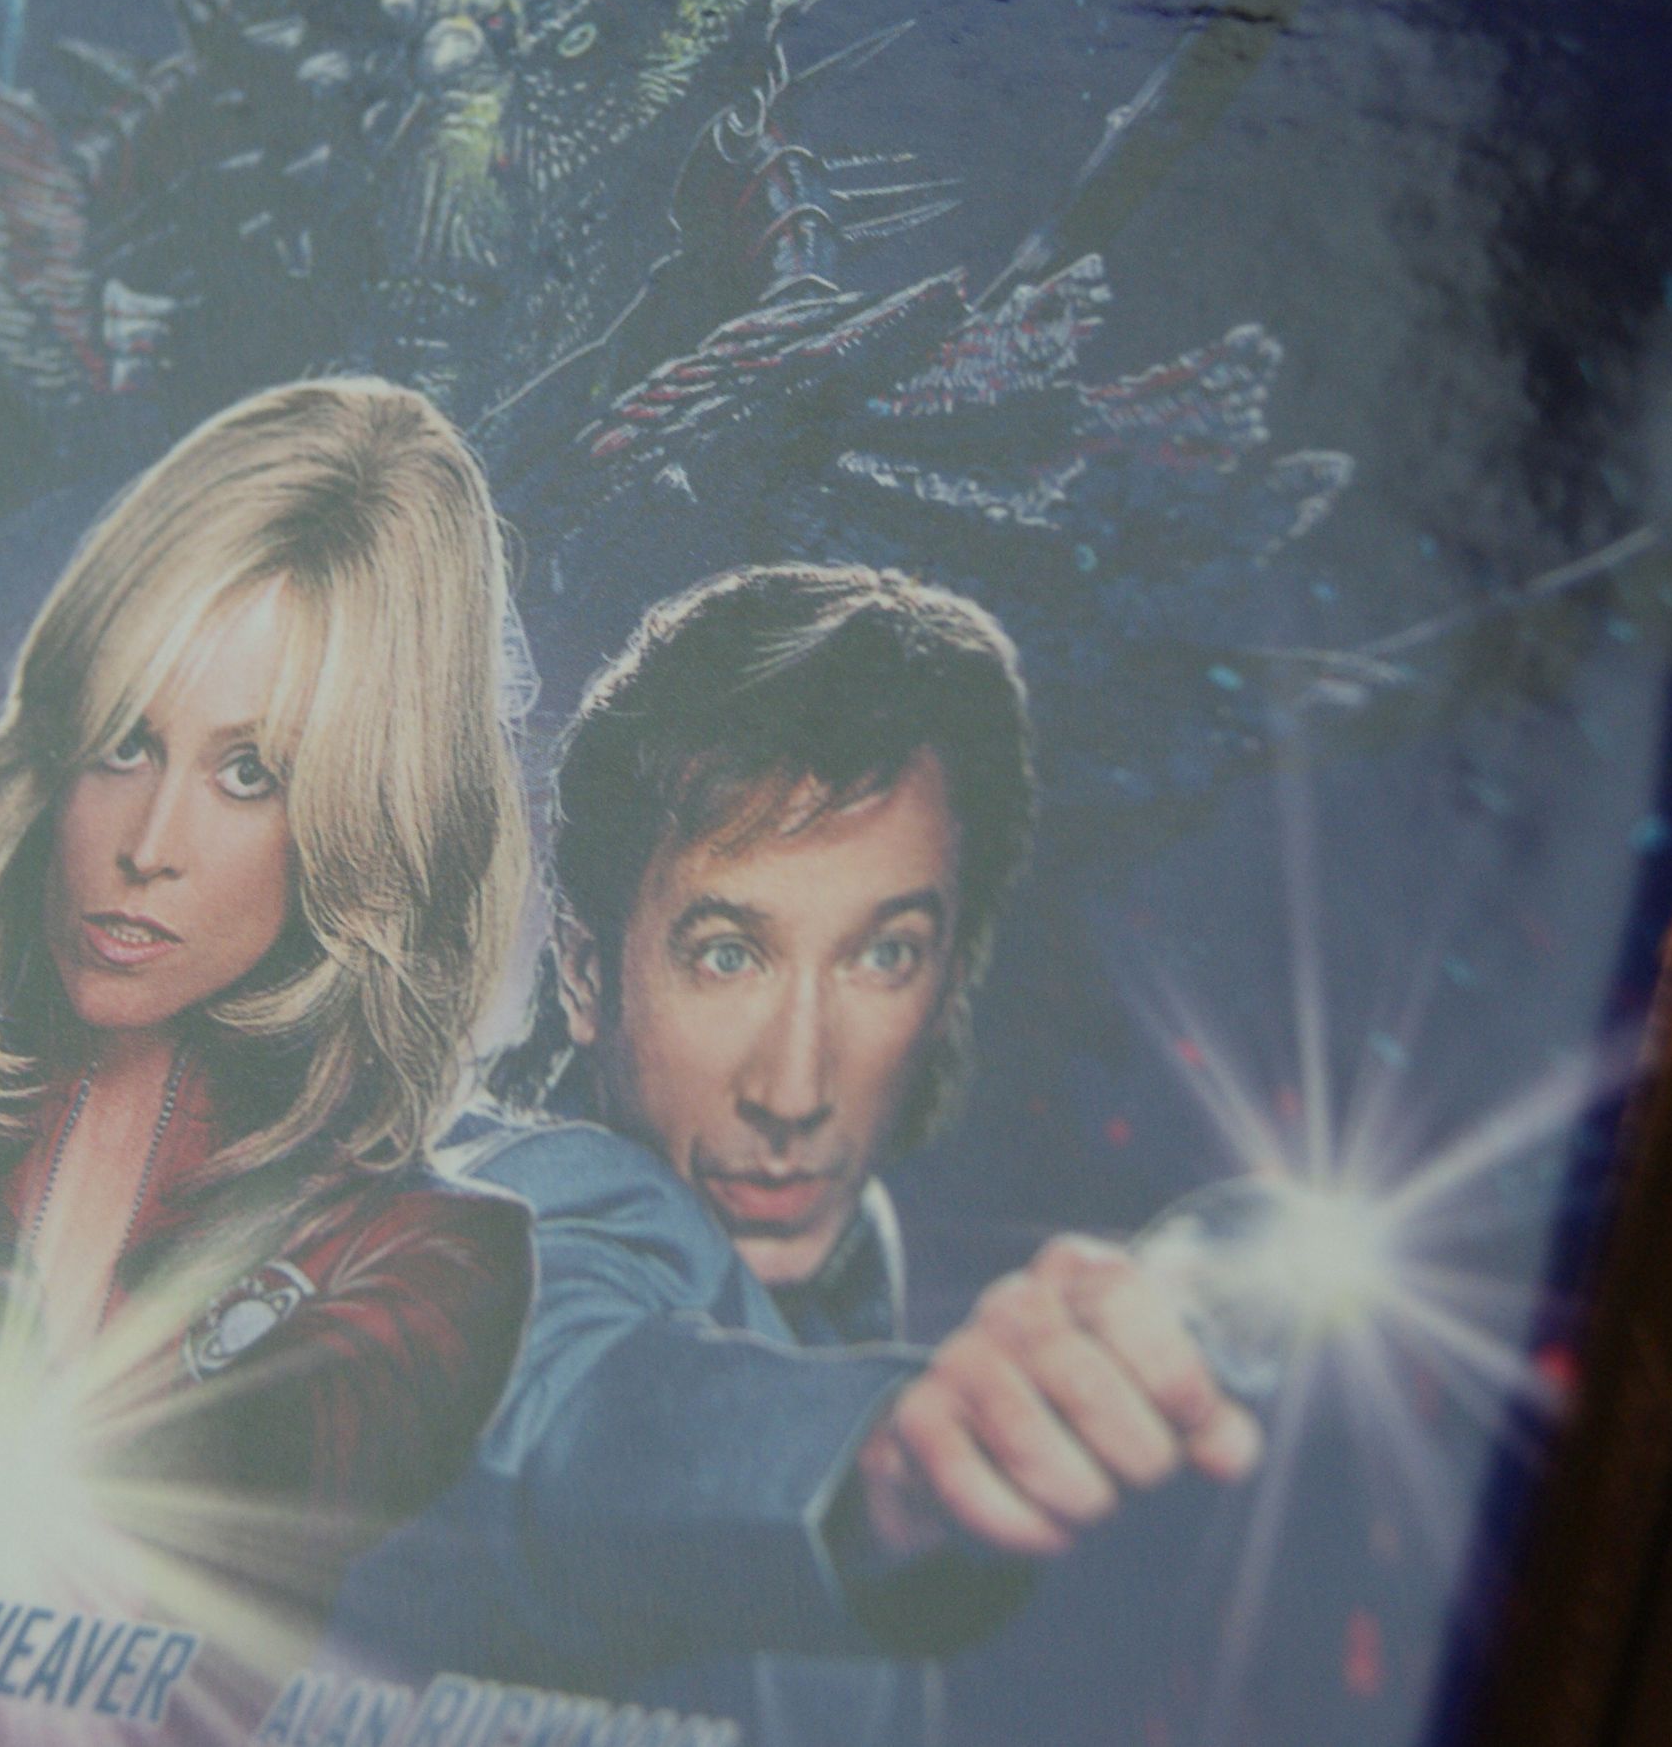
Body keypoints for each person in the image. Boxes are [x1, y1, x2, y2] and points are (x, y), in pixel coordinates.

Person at [0, 378, 533, 1720]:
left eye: (249, 772)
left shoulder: (432, 1259)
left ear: (363, 823)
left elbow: (269, 1464)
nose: (148, 844)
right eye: (126, 741)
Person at [334, 564, 1262, 1747]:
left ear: (951, 974)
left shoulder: (844, 1278)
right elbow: (567, 1414)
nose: (794, 1089)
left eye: (884, 954)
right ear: (583, 969)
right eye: (726, 953)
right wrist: (886, 1465)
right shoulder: (509, 1214)